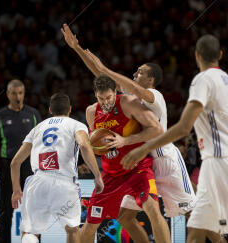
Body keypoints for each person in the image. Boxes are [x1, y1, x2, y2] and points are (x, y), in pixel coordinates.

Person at [120, 35, 228, 243]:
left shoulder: (202, 80)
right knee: (201, 226)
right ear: (221, 55)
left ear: (197, 56)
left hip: (216, 159)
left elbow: (184, 127)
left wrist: (145, 147)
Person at [61, 23, 195, 242]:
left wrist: (104, 70)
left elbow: (108, 75)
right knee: (125, 216)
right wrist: (77, 48)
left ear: (150, 79)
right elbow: (100, 75)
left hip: (164, 158)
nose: (134, 73)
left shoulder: (153, 94)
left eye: (139, 72)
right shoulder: (124, 99)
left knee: (191, 212)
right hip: (139, 159)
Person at [80, 75, 170, 243]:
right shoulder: (91, 112)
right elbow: (96, 146)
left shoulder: (128, 102)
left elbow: (156, 129)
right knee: (90, 224)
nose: (105, 102)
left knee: (152, 209)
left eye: (108, 97)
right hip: (111, 174)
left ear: (115, 92)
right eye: (101, 98)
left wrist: (124, 141)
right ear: (95, 95)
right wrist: (98, 149)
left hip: (137, 168)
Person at [11, 92, 104, 243]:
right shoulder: (77, 125)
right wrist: (97, 176)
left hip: (37, 182)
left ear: (50, 110)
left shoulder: (37, 128)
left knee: (30, 233)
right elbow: (84, 146)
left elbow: (15, 162)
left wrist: (16, 190)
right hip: (64, 183)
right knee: (72, 229)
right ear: (70, 109)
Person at [0, 79, 42, 243]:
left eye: (20, 93)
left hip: (29, 167)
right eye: (14, 93)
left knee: (33, 209)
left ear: (24, 94)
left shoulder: (33, 114)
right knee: (5, 210)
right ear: (8, 94)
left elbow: (41, 144)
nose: (17, 96)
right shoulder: (0, 115)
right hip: (7, 166)